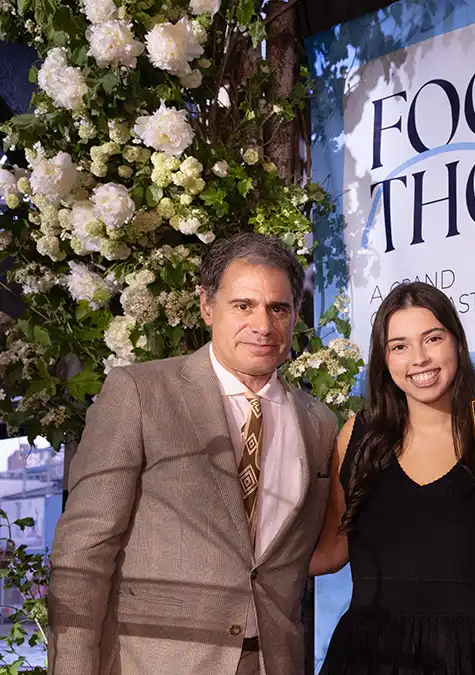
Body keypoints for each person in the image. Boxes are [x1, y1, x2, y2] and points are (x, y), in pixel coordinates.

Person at [48, 232, 339, 675]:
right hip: (156, 661)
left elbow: (295, 555)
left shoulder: (318, 422)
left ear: (295, 315)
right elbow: (83, 551)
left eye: (278, 308)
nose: (263, 325)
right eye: (243, 305)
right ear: (207, 306)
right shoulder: (141, 393)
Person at [310, 281, 475, 675]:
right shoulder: (358, 436)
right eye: (399, 346)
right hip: (373, 656)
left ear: (456, 343)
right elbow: (331, 551)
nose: (418, 358)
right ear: (384, 359)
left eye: (432, 338)